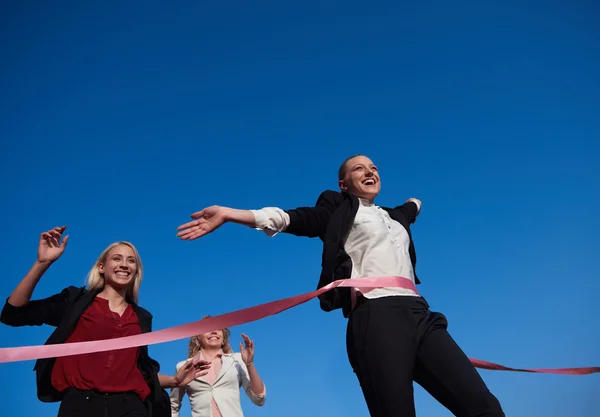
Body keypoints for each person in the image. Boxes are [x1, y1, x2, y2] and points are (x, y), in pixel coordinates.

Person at [176, 155, 505, 417]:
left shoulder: (395, 216)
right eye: (359, 168)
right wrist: (231, 214)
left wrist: (415, 204)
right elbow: (295, 219)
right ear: (344, 183)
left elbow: (409, 210)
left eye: (373, 167)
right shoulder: (338, 209)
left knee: (484, 407)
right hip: (376, 315)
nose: (369, 170)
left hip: (421, 314)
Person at [0, 226, 211, 417]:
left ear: (136, 271)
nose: (124, 265)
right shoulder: (76, 302)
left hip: (131, 406)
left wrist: (175, 381)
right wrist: (42, 263)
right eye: (117, 259)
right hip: (80, 404)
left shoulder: (141, 317)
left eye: (131, 261)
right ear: (102, 267)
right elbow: (13, 314)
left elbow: (136, 372)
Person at [170, 320, 266, 417]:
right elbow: (173, 406)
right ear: (198, 337)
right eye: (207, 328)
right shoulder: (184, 367)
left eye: (218, 328)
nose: (214, 331)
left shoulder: (237, 360)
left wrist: (249, 364)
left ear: (223, 338)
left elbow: (259, 399)